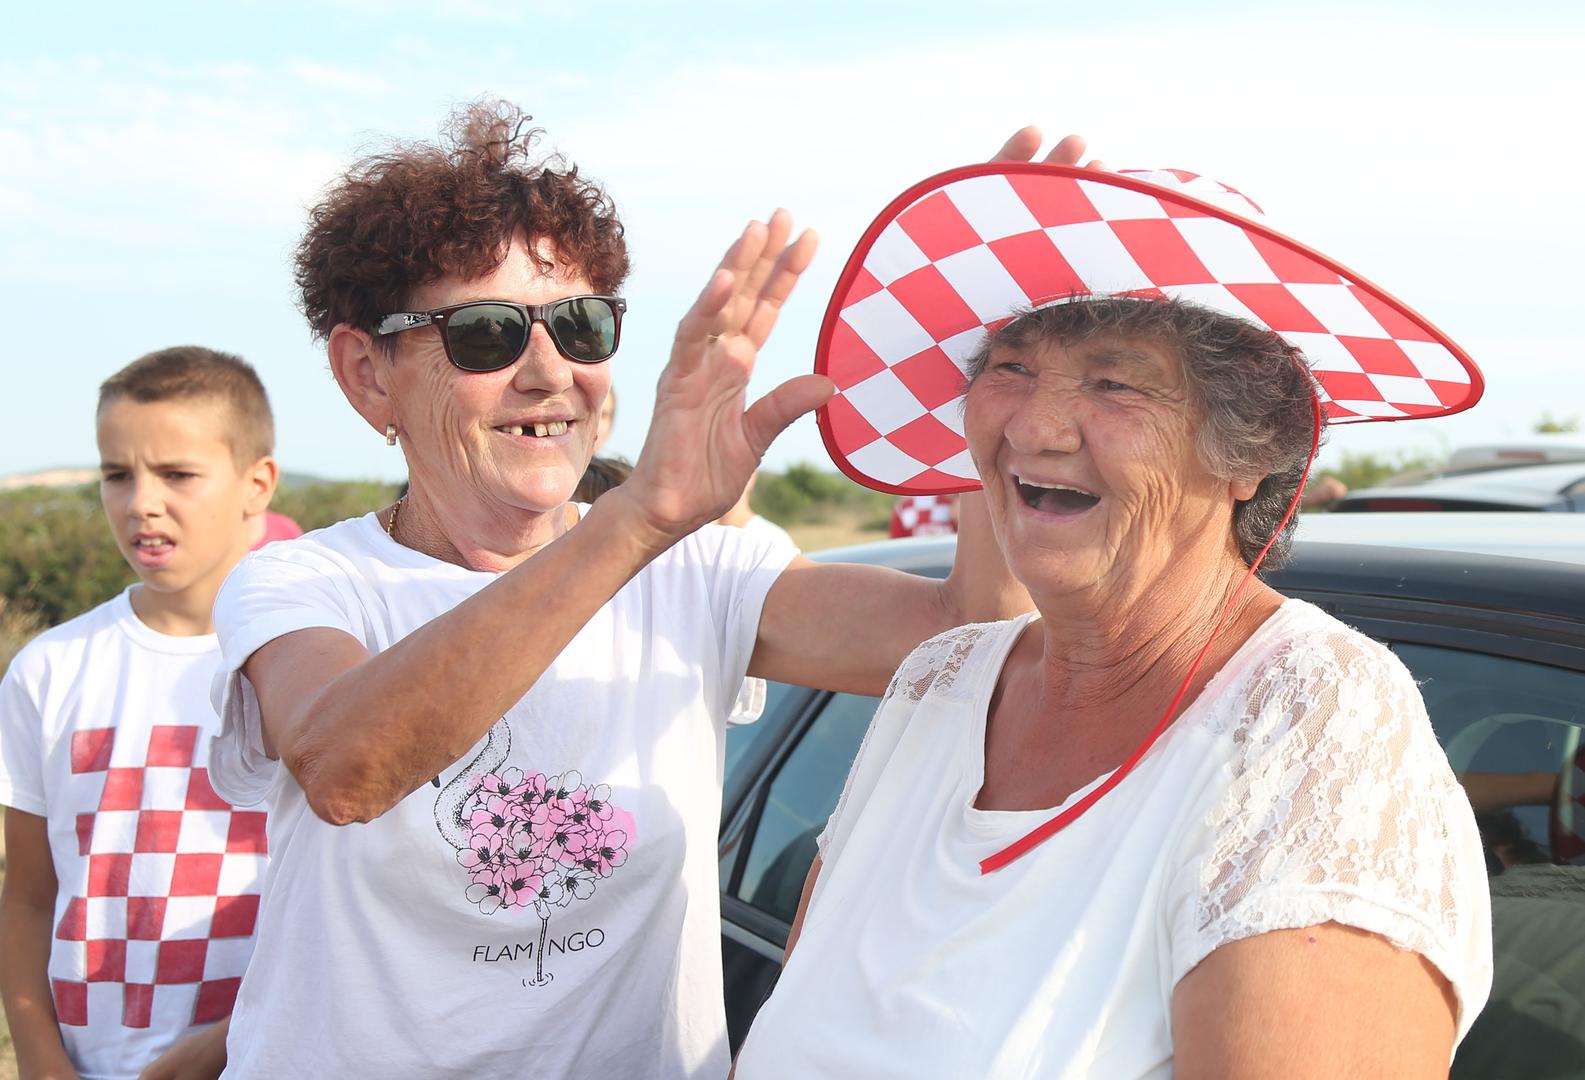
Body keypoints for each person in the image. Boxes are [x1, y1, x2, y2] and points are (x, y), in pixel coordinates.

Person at [202, 102, 1039, 1078]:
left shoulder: (701, 568)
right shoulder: (309, 580)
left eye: (580, 325)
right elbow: (345, 770)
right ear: (366, 373)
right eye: (485, 335)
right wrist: (636, 520)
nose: (548, 371)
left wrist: (996, 364)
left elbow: (972, 638)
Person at [734, 168, 1493, 1075]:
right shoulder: (940, 680)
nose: (1038, 428)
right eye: (1009, 368)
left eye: (1114, 383)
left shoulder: (1310, 718)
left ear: (1247, 453)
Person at [0, 348, 279, 1080]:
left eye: (178, 475)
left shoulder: (303, 662)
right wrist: (38, 1059)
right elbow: (29, 896)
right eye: (117, 474)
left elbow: (340, 903)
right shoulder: (49, 669)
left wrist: (224, 1041)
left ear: (258, 485)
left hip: (267, 1056)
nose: (141, 503)